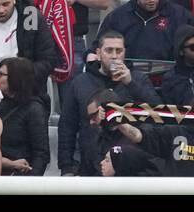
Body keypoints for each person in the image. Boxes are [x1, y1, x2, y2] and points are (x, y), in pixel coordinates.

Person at [57, 30, 159, 176]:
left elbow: (157, 112)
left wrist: (130, 83)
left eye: (119, 51)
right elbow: (67, 127)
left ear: (125, 52)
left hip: (130, 167)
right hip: (90, 165)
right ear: (98, 53)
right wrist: (66, 168)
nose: (114, 56)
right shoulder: (81, 82)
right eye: (109, 50)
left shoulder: (138, 79)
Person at [96, 0, 194, 62]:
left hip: (170, 74)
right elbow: (97, 48)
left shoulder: (179, 15)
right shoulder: (117, 17)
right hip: (127, 73)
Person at [0, 55, 50, 176]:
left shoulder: (34, 109)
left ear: (15, 78)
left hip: (20, 178)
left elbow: (41, 153)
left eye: (1, 74)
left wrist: (29, 184)